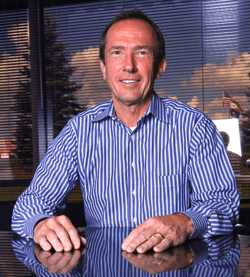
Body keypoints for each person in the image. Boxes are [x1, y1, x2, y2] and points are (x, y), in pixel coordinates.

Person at [11, 9, 240, 254]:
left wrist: (186, 221)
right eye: (117, 53)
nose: (129, 66)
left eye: (142, 53)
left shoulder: (195, 126)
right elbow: (30, 204)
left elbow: (224, 205)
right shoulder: (78, 132)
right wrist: (40, 223)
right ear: (103, 68)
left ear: (160, 66)